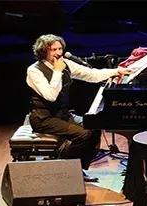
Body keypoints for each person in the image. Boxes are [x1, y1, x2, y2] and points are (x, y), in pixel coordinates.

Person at [26, 34, 132, 182]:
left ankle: (78, 169)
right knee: (83, 134)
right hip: (44, 118)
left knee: (94, 126)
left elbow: (92, 75)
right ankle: (64, 168)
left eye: (60, 48)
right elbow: (50, 96)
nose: (58, 53)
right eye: (53, 50)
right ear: (43, 52)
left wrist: (116, 71)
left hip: (62, 115)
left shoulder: (66, 64)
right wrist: (57, 71)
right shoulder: (34, 71)